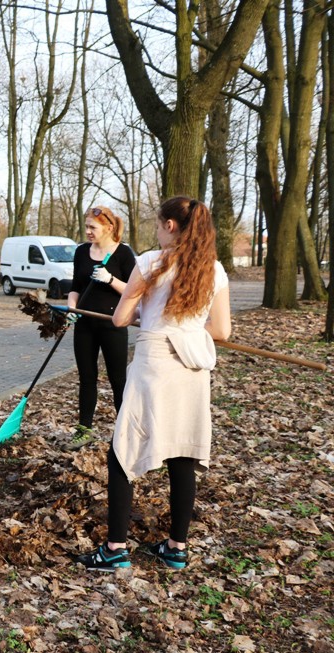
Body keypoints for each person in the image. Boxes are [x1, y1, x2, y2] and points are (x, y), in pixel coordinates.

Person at [78, 197, 231, 572]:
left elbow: (120, 318)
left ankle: (115, 549)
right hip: (193, 370)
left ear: (172, 227)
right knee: (183, 454)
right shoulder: (215, 269)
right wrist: (188, 327)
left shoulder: (149, 262)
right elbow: (222, 331)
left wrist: (148, 313)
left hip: (155, 365)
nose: (157, 230)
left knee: (123, 452)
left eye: (160, 224)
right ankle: (176, 548)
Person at [64, 206, 137, 451]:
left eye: (92, 227)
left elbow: (133, 290)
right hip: (84, 324)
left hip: (113, 324)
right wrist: (72, 308)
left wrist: (110, 279)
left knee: (118, 380)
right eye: (86, 227)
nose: (88, 232)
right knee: (87, 378)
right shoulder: (82, 252)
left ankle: (125, 433)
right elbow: (76, 286)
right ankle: (84, 430)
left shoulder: (123, 254)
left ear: (109, 228)